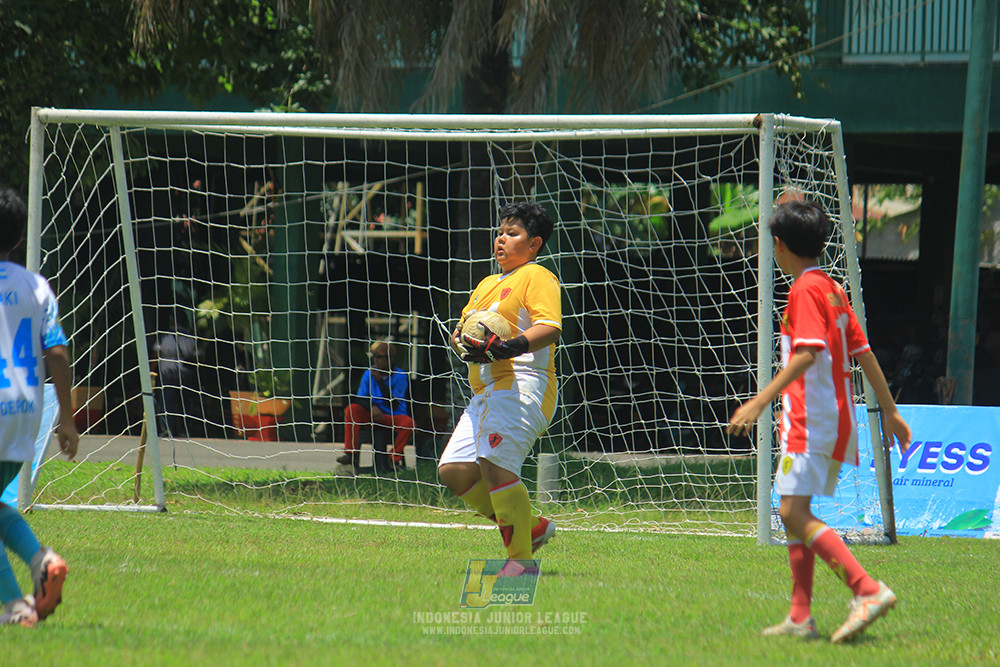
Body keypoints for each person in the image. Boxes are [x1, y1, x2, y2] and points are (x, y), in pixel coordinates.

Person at [727, 199, 912, 644]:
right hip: (832, 417)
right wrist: (890, 409)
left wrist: (758, 400)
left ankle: (866, 589)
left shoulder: (805, 290)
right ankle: (800, 616)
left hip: (809, 419)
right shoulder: (832, 288)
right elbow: (863, 352)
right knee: (796, 512)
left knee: (791, 511)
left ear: (778, 245)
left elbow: (807, 354)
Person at [438, 201, 561, 567]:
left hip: (522, 386)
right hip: (484, 394)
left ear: (534, 243)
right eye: (500, 232)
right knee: (454, 471)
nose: (501, 240)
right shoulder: (487, 284)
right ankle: (532, 528)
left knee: (495, 467)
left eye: (513, 233)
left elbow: (550, 327)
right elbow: (463, 331)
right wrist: (462, 343)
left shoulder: (537, 276)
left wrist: (510, 346)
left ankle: (520, 562)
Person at [0, 187, 79, 627]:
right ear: (16, 238)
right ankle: (41, 562)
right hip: (28, 411)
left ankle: (14, 606)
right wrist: (66, 418)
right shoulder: (36, 286)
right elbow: (58, 354)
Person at [337, 341, 414, 472]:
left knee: (408, 423)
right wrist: (372, 406)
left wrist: (379, 380)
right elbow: (360, 398)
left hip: (391, 415)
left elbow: (394, 404)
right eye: (374, 357)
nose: (376, 361)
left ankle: (392, 458)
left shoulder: (400, 376)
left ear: (390, 358)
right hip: (372, 414)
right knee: (351, 409)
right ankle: (350, 453)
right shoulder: (369, 373)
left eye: (380, 357)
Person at [152, 315, 200, 438]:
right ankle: (185, 430)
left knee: (167, 402)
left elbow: (156, 355)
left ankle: (167, 430)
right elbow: (197, 358)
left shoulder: (163, 336)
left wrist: (151, 372)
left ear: (173, 321)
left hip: (167, 372)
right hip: (185, 374)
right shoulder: (191, 337)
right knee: (185, 403)